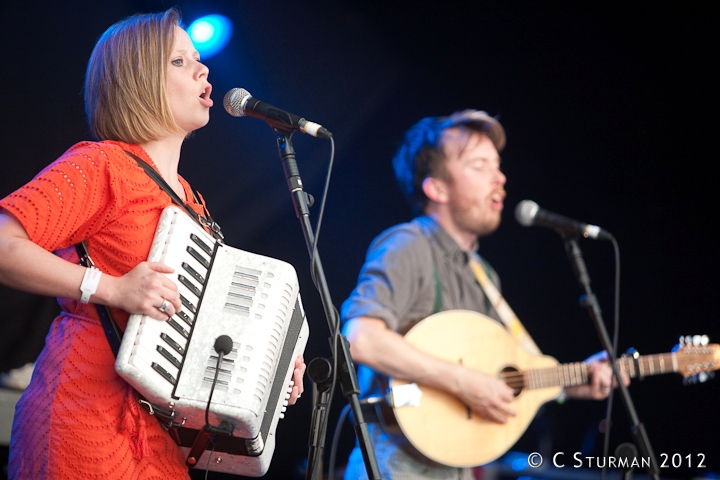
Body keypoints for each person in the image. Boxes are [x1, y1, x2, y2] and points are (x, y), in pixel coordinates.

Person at [0, 8, 305, 479]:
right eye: (179, 61)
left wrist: (275, 365)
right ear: (137, 81)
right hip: (86, 419)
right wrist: (112, 289)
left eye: (198, 58)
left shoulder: (191, 201)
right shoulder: (103, 164)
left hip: (161, 440)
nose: (203, 70)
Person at [341, 110, 627, 479]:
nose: (500, 177)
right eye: (480, 166)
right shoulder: (407, 245)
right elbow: (361, 340)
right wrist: (462, 381)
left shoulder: (483, 273)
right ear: (436, 188)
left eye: (497, 165)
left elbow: (504, 377)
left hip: (456, 464)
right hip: (395, 464)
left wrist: (573, 384)